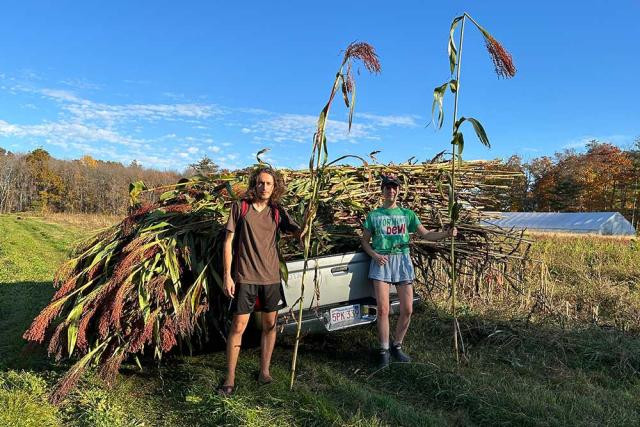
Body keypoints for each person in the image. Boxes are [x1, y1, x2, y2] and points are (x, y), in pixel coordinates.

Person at [218, 167, 301, 396]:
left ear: (274, 188)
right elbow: (228, 242)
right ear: (254, 184)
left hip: (271, 278)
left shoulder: (277, 211)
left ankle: (264, 371)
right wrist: (228, 276)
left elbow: (297, 233)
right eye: (261, 183)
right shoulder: (240, 208)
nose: (265, 187)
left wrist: (305, 230)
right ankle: (230, 377)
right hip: (245, 277)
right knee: (238, 327)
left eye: (269, 184)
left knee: (270, 326)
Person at [361, 175, 456, 368]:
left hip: (402, 262)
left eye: (394, 188)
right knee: (383, 310)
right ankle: (384, 350)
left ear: (398, 191)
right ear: (383, 191)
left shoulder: (408, 214)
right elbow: (364, 240)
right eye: (387, 188)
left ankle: (397, 346)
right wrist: (374, 255)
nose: (391, 191)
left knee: (407, 309)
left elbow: (427, 234)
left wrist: (446, 234)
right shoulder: (374, 215)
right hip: (382, 262)